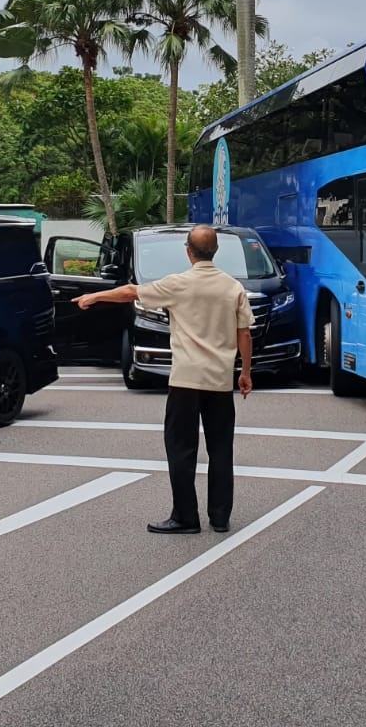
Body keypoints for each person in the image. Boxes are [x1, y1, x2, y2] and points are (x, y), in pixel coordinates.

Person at [74, 225, 253, 534]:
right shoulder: (232, 287)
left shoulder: (178, 284)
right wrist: (245, 372)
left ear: (188, 251)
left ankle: (185, 517)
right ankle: (220, 517)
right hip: (220, 381)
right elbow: (245, 333)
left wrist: (94, 296)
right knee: (221, 448)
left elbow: (132, 292)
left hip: (186, 380)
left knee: (181, 448)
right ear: (216, 251)